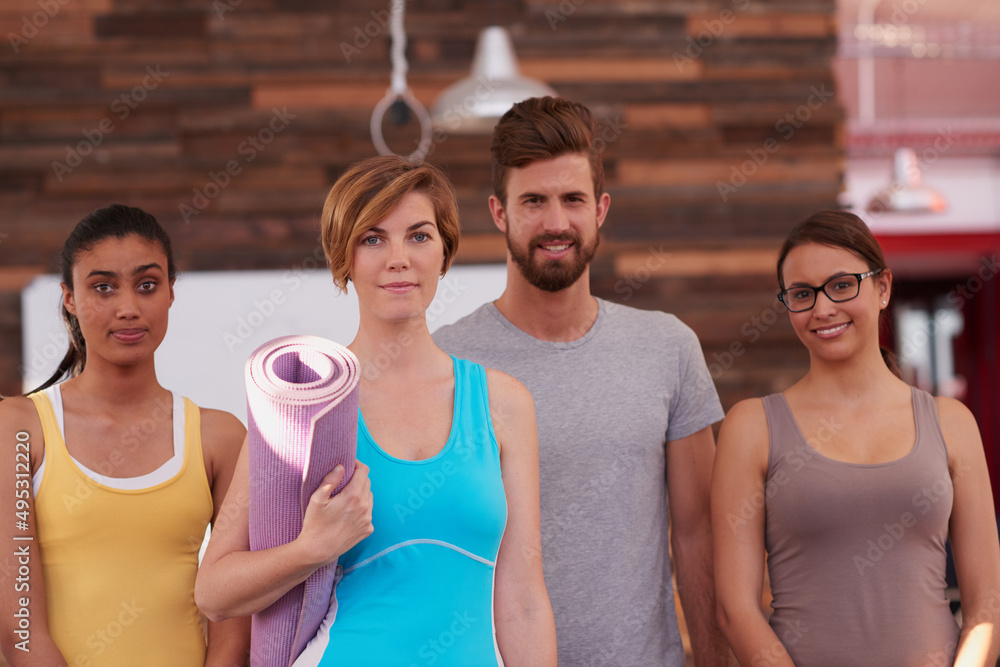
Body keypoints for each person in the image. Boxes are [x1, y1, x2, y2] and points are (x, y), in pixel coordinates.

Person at [195, 155, 556, 666]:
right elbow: (213, 592)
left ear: (445, 252)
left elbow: (522, 601)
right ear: (344, 259)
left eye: (419, 235)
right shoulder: (303, 408)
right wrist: (311, 549)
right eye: (372, 238)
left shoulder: (504, 404)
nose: (398, 258)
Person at [432, 96, 731, 666]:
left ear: (601, 209)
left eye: (572, 199)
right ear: (499, 212)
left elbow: (697, 535)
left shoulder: (667, 348)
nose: (555, 223)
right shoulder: (448, 359)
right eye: (533, 202)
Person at [712, 210, 1000, 666]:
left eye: (842, 285)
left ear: (882, 287)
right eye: (802, 294)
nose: (823, 309)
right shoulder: (751, 427)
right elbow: (735, 610)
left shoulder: (952, 423)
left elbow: (987, 609)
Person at [0, 204, 250, 665]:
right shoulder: (17, 428)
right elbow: (19, 627)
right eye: (103, 287)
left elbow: (233, 620)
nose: (129, 308)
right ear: (69, 298)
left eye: (147, 285)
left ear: (172, 292)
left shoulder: (220, 437)